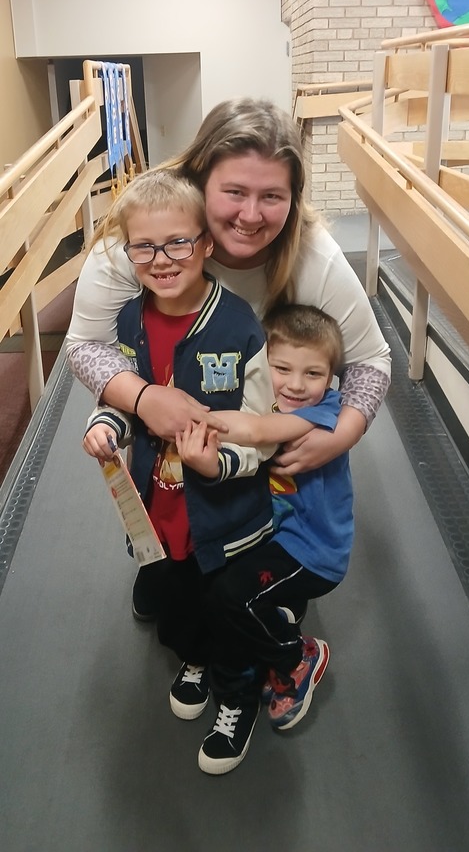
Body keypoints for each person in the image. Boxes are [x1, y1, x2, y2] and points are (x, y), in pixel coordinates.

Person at [66, 98, 391, 487]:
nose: (251, 215)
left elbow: (370, 360)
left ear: (293, 198)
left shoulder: (314, 257)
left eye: (272, 196)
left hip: (277, 471)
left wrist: (342, 435)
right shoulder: (139, 246)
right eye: (235, 192)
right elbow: (85, 344)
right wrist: (142, 398)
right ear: (199, 182)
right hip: (175, 470)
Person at [83, 168, 282, 775]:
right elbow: (125, 396)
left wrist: (217, 462)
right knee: (176, 597)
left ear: (206, 244)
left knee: (228, 607)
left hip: (226, 514)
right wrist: (106, 426)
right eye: (143, 246)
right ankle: (194, 658)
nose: (161, 260)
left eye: (177, 243)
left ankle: (238, 693)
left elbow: (263, 430)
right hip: (158, 508)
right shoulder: (127, 321)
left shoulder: (239, 326)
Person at [176, 303, 352, 767]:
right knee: (218, 587)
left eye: (313, 373)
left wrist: (191, 420)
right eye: (282, 368)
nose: (296, 384)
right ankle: (263, 635)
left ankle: (296, 657)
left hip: (312, 551)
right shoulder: (275, 402)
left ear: (331, 378)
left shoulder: (322, 411)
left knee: (232, 599)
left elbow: (256, 429)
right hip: (277, 538)